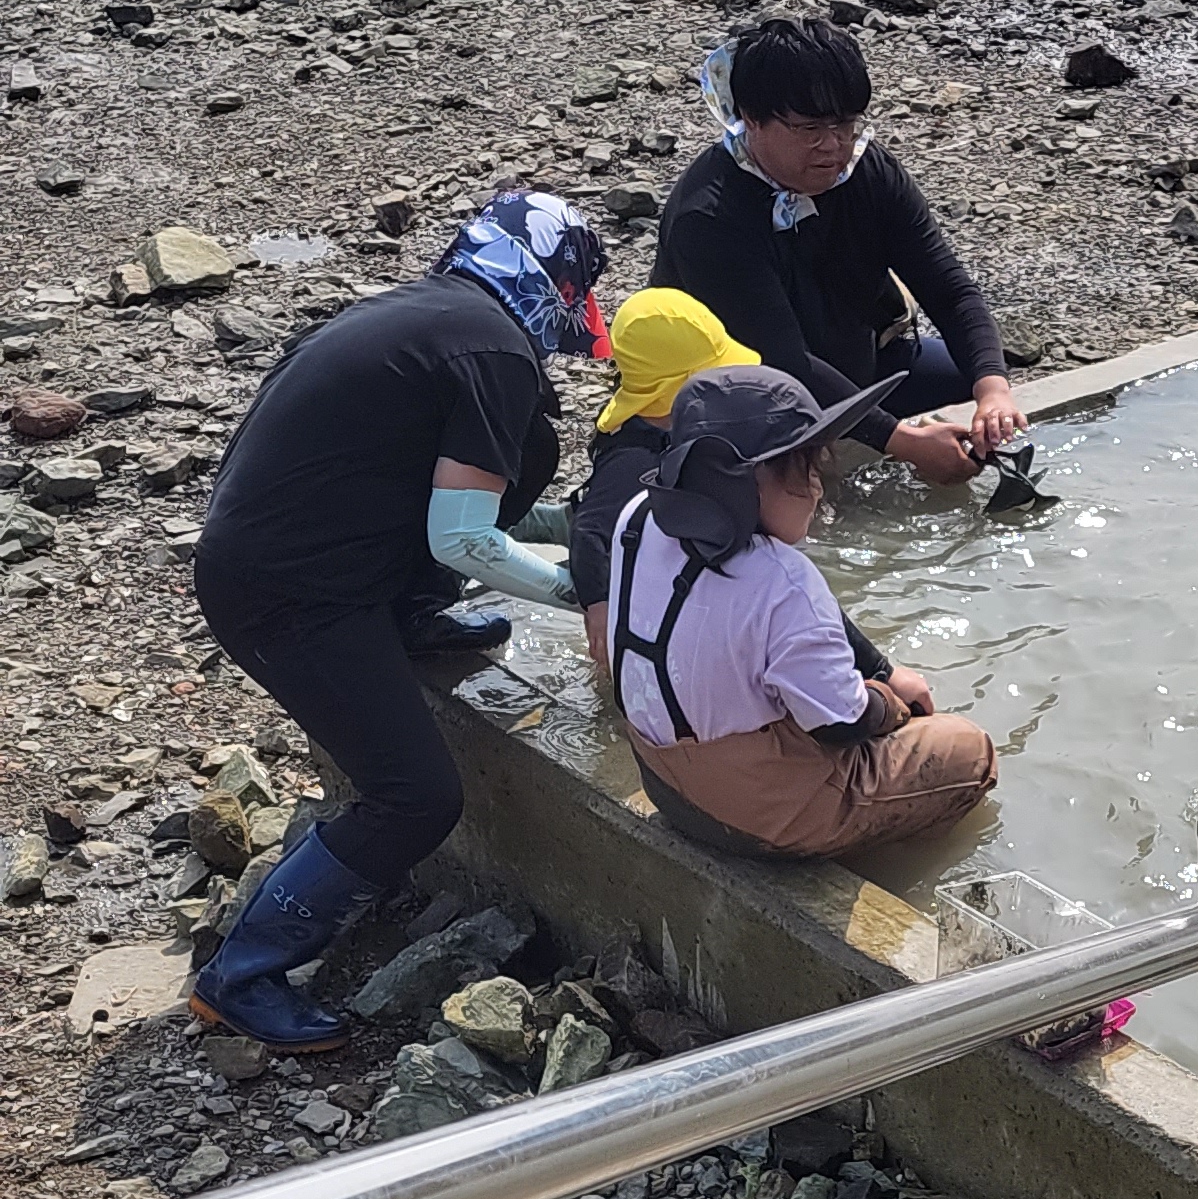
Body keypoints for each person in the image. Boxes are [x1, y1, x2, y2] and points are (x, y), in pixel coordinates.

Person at [188, 189, 604, 1051]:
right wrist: (587, 596)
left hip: (288, 560)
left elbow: (430, 497)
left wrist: (573, 528)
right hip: (290, 596)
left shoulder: (429, 315)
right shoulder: (498, 353)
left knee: (530, 445)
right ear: (551, 286)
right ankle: (243, 973)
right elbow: (462, 538)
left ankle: (408, 617)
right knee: (416, 795)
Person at [605, 363, 995, 862]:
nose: (817, 488)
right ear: (740, 481)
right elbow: (840, 724)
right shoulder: (782, 581)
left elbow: (794, 621)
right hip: (753, 817)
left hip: (661, 777)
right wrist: (889, 706)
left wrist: (885, 669)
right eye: (804, 469)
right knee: (967, 748)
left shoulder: (638, 516)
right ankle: (880, 860)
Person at [655, 17, 1028, 488]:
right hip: (746, 402)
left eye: (844, 124)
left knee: (980, 380)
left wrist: (992, 389)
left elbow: (947, 287)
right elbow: (781, 361)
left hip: (865, 363)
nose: (833, 147)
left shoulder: (866, 170)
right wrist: (902, 442)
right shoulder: (708, 218)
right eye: (809, 129)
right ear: (752, 119)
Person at [569, 290, 758, 668]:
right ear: (681, 388)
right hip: (646, 615)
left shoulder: (668, 424)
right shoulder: (635, 456)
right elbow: (588, 534)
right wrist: (601, 612)